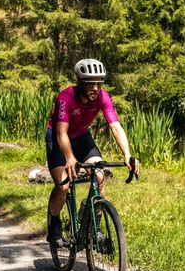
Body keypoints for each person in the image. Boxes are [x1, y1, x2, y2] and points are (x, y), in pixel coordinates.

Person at [46, 58, 139, 245]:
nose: (95, 88)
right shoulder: (65, 98)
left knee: (99, 175)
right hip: (58, 138)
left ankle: (92, 227)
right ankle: (54, 225)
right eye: (90, 83)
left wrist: (128, 155)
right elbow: (61, 133)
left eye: (99, 82)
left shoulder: (103, 97)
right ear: (80, 82)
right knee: (63, 186)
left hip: (82, 138)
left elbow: (116, 127)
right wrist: (70, 157)